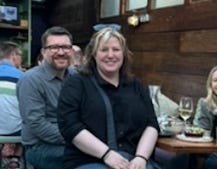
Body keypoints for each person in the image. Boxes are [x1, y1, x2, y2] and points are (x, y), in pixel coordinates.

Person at [57, 27, 160, 169]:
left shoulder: (136, 85)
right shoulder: (76, 84)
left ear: (123, 54)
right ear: (94, 54)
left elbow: (152, 124)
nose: (110, 55)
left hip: (133, 160)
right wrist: (107, 154)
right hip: (89, 160)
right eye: (104, 50)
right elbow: (70, 126)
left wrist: (141, 158)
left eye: (116, 50)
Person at [16, 26, 75, 169]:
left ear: (71, 50)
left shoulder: (76, 76)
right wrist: (76, 137)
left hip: (72, 140)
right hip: (41, 147)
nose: (61, 52)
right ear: (43, 52)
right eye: (54, 47)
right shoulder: (31, 80)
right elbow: (37, 124)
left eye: (66, 47)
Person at [0, 41, 24, 169]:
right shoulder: (23, 77)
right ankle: (15, 158)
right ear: (14, 55)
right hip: (16, 134)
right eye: (20, 55)